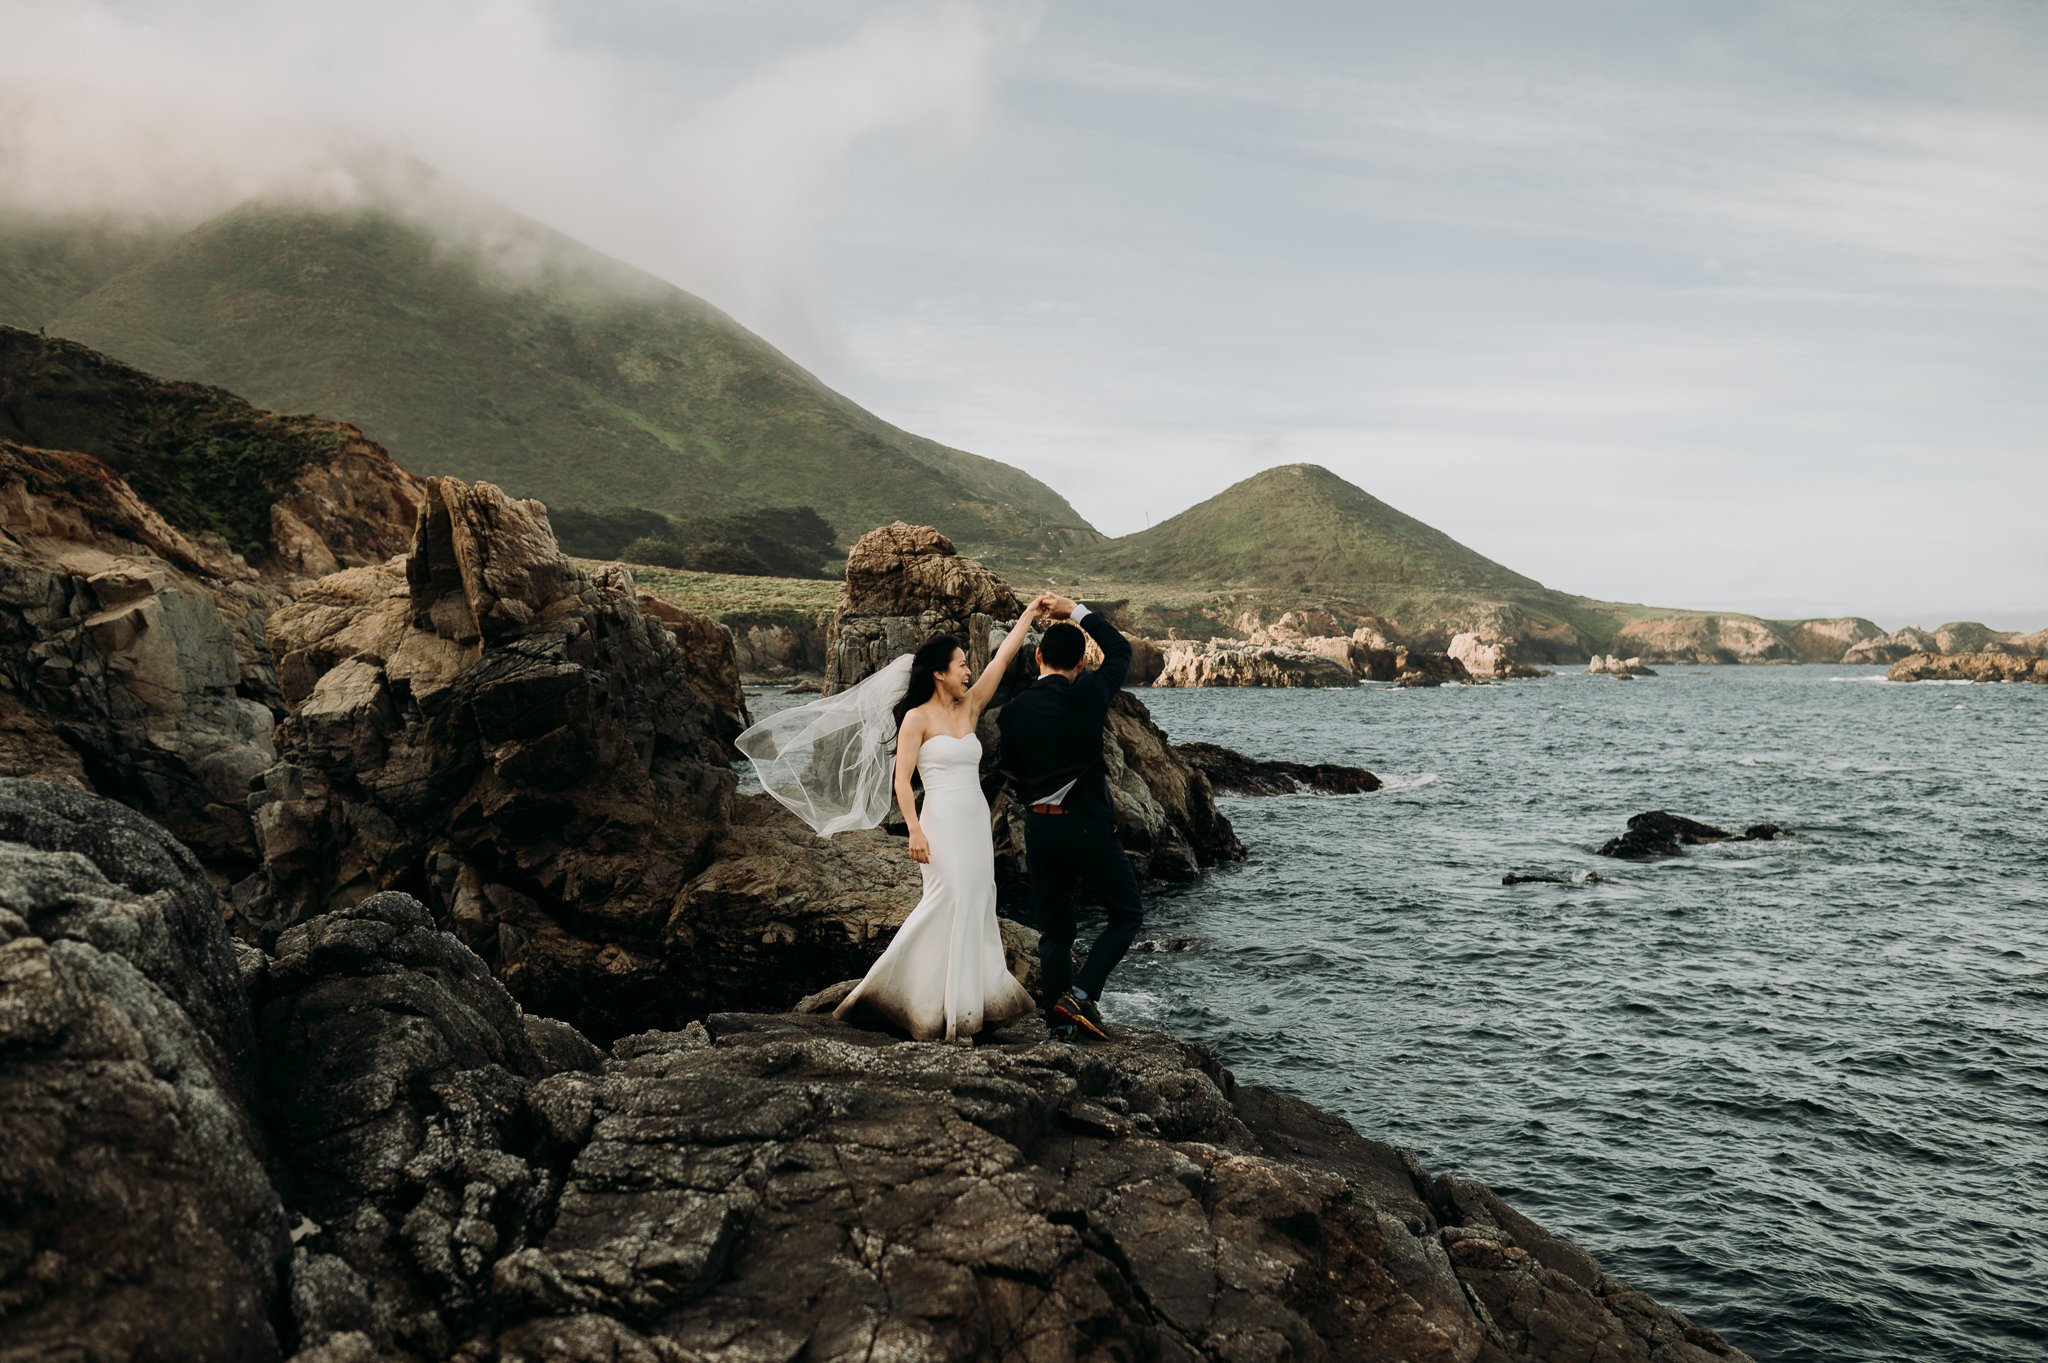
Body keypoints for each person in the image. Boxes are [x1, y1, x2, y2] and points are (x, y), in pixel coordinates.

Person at [736, 596, 1057, 1042]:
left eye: (968, 664)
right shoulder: (915, 719)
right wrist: (915, 830)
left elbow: (1003, 659)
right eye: (961, 664)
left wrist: (1028, 616)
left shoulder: (969, 707)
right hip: (940, 820)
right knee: (945, 900)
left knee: (979, 901)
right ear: (939, 673)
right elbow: (902, 781)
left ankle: (966, 1010)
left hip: (974, 820)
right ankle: (889, 996)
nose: (968, 670)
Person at [995, 594, 1138, 1042]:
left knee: (1055, 928)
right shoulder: (1090, 694)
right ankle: (1080, 995)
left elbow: (1009, 770)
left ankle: (1058, 1024)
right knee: (1126, 913)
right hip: (1086, 825)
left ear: (1038, 657)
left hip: (1039, 828)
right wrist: (1075, 609)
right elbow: (1120, 650)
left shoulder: (1013, 711)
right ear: (1080, 663)